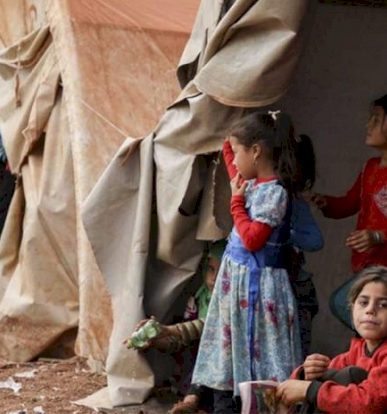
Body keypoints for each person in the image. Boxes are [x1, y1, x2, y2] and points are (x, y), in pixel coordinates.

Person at [190, 111, 304, 414]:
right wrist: (233, 132)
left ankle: (262, 406)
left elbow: (253, 239)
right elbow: (229, 150)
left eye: (241, 151)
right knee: (227, 355)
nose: (233, 159)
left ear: (256, 151)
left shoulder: (273, 193)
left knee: (265, 358)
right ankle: (226, 404)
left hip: (260, 287)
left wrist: (236, 204)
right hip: (236, 287)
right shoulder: (247, 181)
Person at [309, 93, 387, 329]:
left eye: (376, 120)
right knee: (364, 315)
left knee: (345, 305)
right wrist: (325, 202)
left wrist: (377, 236)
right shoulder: (370, 167)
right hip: (369, 264)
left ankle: (385, 345)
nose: (368, 125)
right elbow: (350, 203)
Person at [276, 265, 387, 414]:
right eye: (363, 303)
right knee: (330, 377)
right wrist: (307, 373)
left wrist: (310, 390)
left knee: (350, 376)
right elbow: (320, 377)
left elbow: (368, 402)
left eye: (383, 305)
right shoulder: (359, 349)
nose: (370, 310)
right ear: (352, 309)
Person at [126, 242, 225, 414]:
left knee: (214, 351)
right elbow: (181, 342)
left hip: (219, 370)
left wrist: (170, 330)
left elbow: (208, 326)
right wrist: (157, 340)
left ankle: (192, 401)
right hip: (193, 370)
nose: (214, 278)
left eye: (222, 271)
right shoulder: (198, 299)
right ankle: (195, 402)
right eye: (210, 269)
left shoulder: (231, 303)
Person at [287, 134, 324, 359]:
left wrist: (283, 235)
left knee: (295, 357)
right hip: (276, 292)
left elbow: (315, 240)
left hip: (297, 290)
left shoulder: (293, 202)